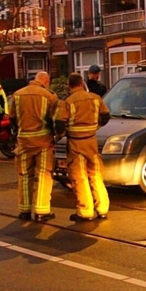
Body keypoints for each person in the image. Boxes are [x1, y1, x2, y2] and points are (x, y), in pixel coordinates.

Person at [55, 73, 111, 222]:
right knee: (96, 175)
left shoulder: (67, 102)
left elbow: (59, 124)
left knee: (79, 177)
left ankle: (85, 211)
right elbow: (106, 116)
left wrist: (60, 135)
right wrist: (95, 127)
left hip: (76, 144)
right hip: (92, 142)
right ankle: (103, 208)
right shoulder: (96, 98)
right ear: (82, 83)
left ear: (69, 85)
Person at [8, 72, 59, 223]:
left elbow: (12, 118)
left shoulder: (17, 95)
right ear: (46, 81)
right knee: (44, 174)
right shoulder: (50, 96)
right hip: (43, 142)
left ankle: (24, 210)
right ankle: (42, 211)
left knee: (24, 175)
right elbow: (54, 120)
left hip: (24, 141)